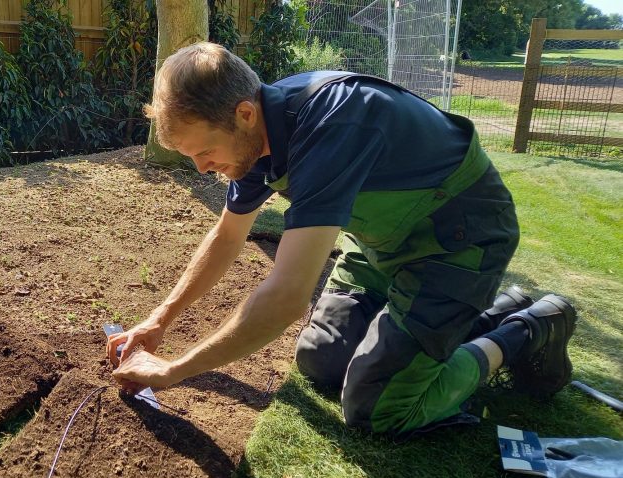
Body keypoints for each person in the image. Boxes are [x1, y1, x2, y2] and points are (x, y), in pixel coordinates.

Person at [107, 42, 576, 434]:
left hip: (458, 242)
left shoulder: (331, 125)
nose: (202, 168)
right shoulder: (255, 139)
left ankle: (526, 330)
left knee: (377, 407)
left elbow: (288, 296)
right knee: (321, 360)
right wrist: (159, 321)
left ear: (244, 113)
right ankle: (489, 313)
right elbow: (227, 236)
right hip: (378, 243)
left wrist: (172, 370)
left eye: (205, 152)